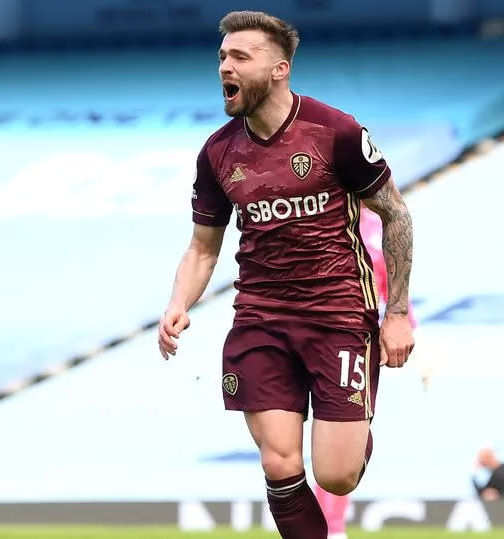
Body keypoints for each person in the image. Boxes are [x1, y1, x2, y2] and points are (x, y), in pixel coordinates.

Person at [157, 10, 415, 539]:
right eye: (222, 57)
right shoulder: (217, 153)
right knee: (279, 464)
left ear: (279, 69)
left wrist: (399, 313)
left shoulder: (336, 131)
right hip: (261, 317)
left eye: (239, 57)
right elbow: (203, 248)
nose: (225, 67)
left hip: (338, 312)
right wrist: (178, 302)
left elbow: (396, 214)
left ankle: (352, 423)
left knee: (337, 477)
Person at [314, 208, 428, 539]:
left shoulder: (374, 232)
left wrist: (416, 347)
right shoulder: (325, 216)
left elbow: (393, 292)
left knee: (341, 435)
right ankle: (320, 524)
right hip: (317, 337)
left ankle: (331, 526)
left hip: (352, 346)